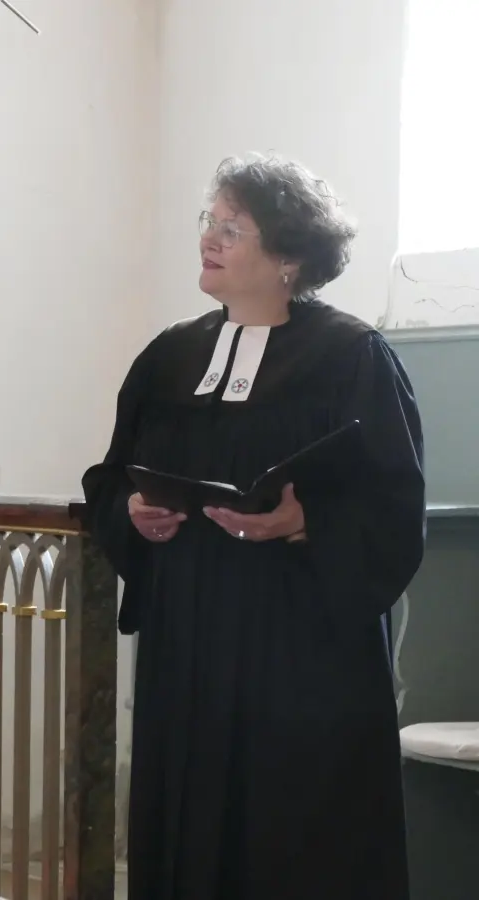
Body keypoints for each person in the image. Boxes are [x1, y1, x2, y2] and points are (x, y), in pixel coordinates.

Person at [81, 153, 424, 900]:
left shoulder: (351, 358)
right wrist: (134, 514)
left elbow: (394, 504)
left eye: (232, 229)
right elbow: (108, 479)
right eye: (211, 222)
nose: (210, 238)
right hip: (190, 640)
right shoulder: (169, 358)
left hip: (298, 648)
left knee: (292, 838)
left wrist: (307, 523)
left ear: (289, 260)